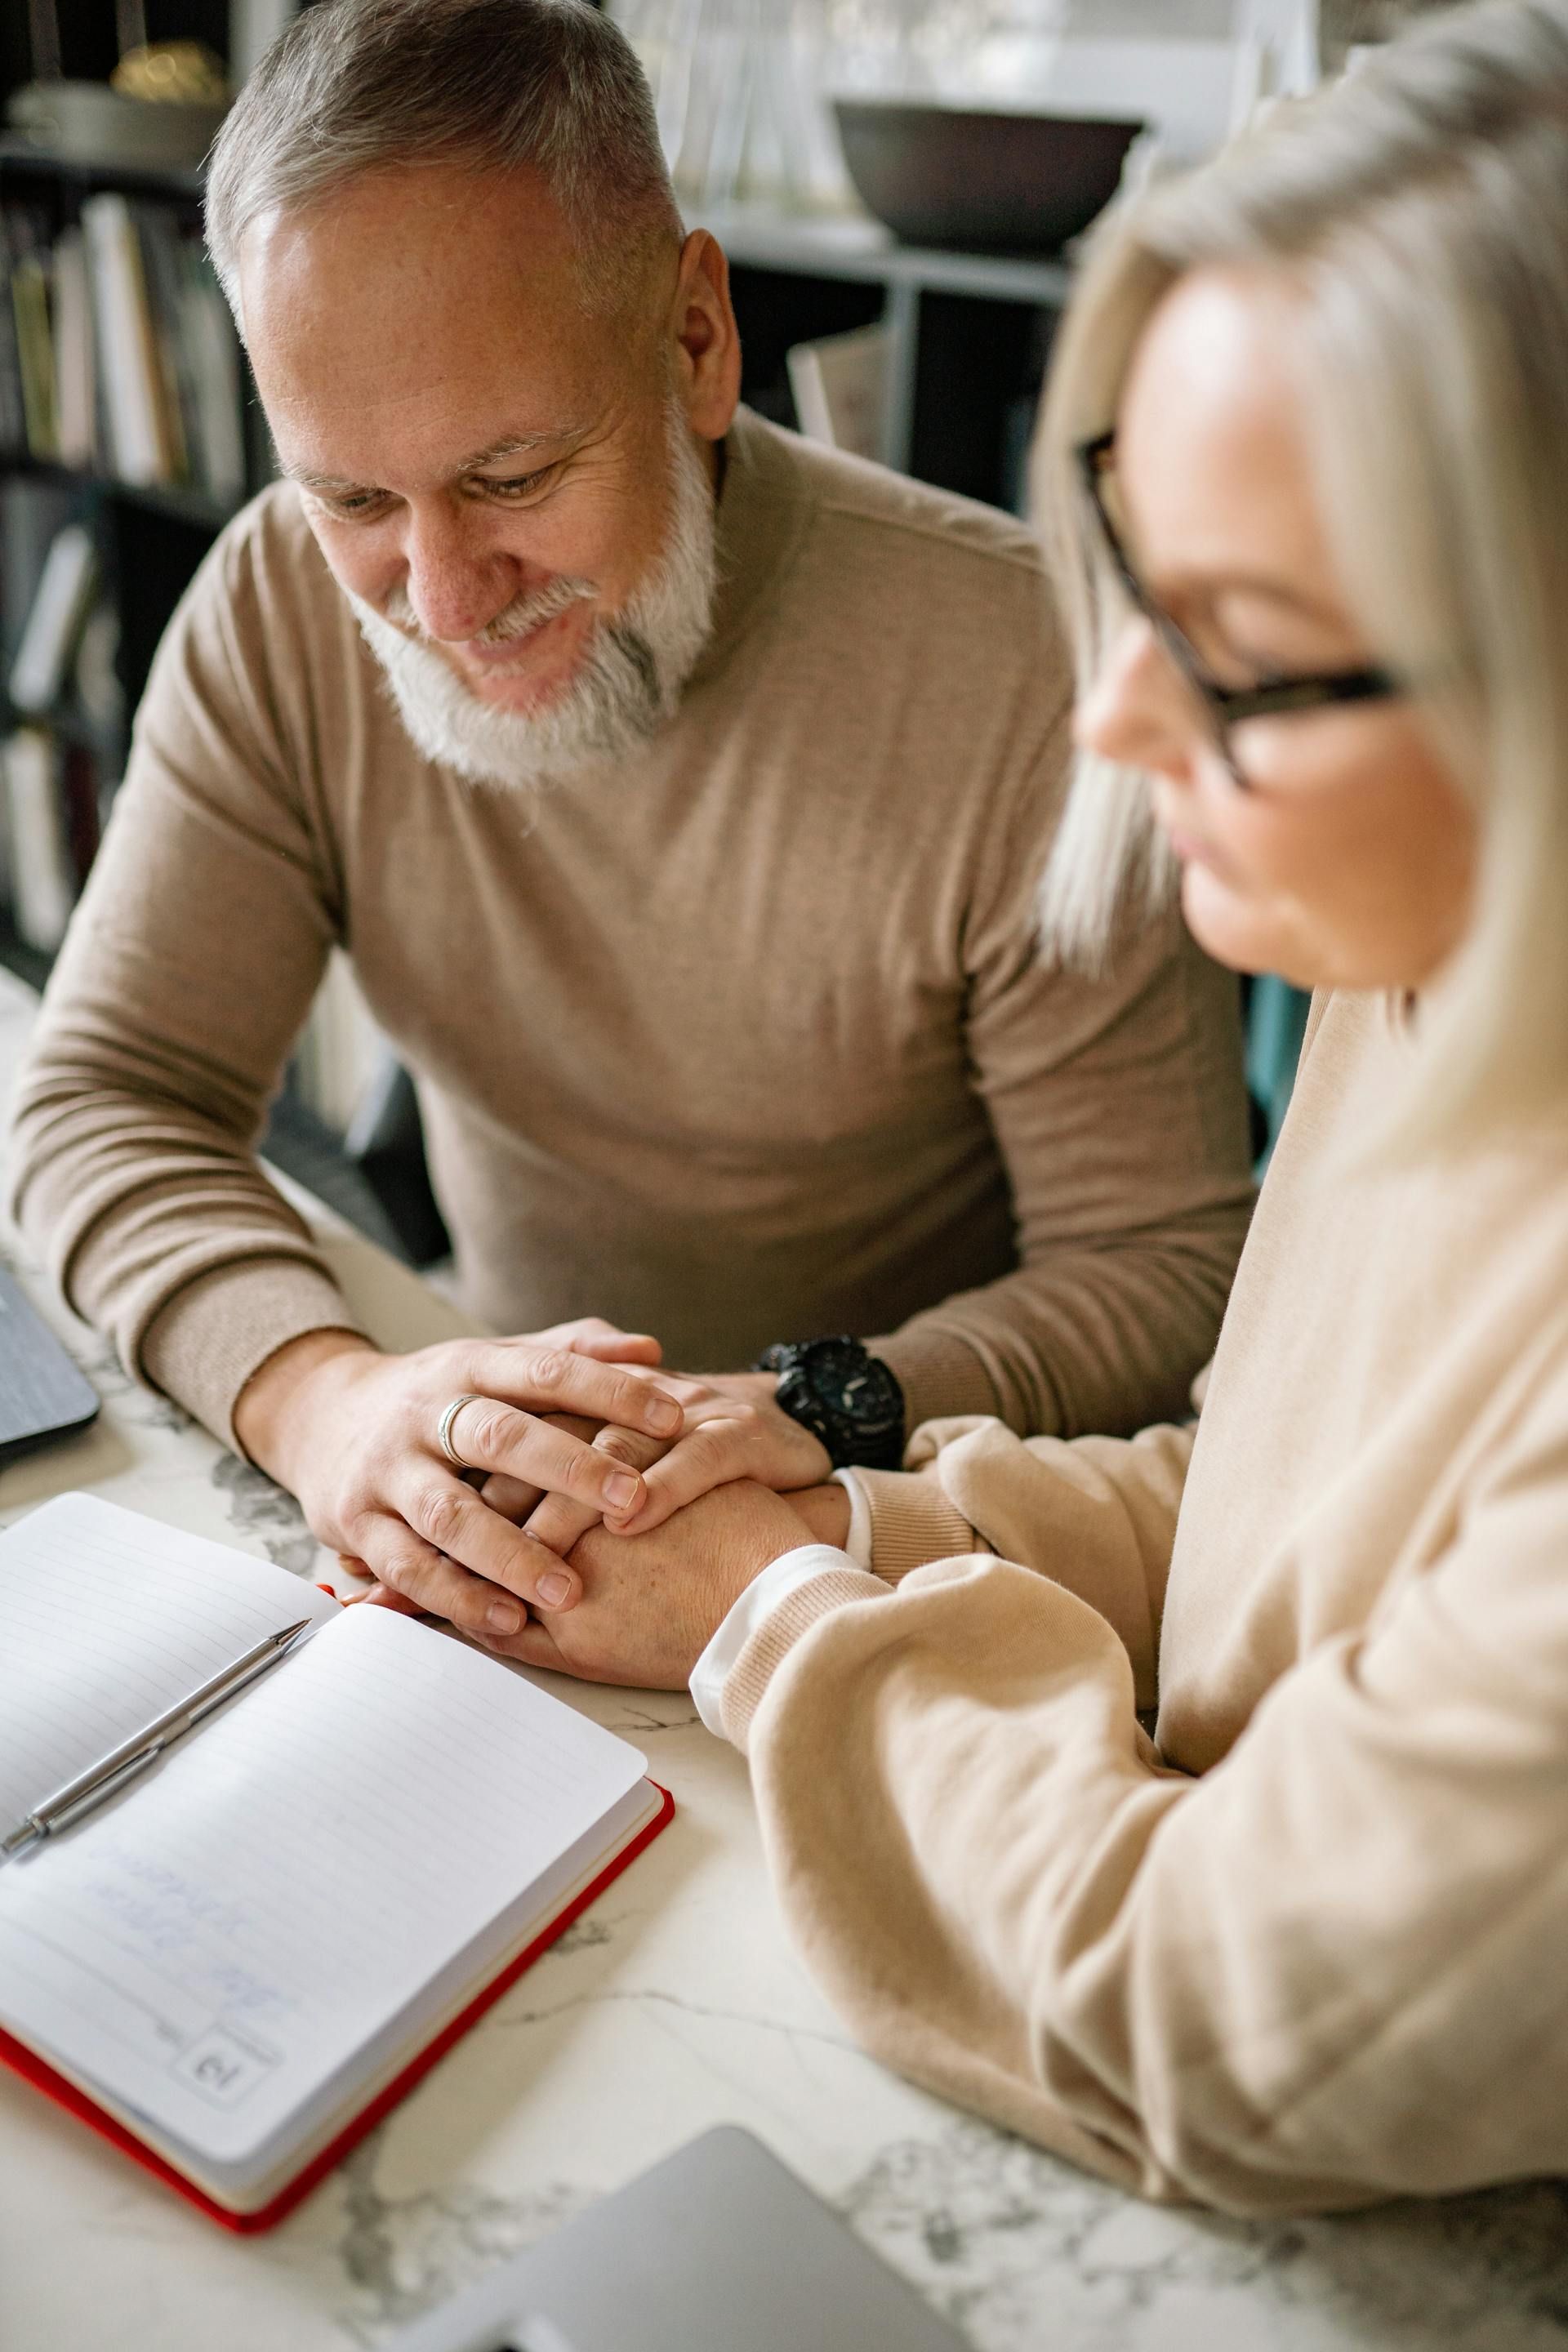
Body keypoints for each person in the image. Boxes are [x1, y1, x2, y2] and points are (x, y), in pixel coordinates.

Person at [488, 0, 1568, 2212]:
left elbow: (1201, 2013)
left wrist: (766, 1622)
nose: (1112, 714)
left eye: (1241, 644)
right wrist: (855, 1507)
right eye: (1123, 562)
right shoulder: (1432, 964)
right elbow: (1293, 1532)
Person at [5, 0, 1253, 1635]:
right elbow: (107, 1094)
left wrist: (821, 1414)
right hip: (505, 1508)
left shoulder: (1026, 670)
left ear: (696, 340)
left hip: (902, 1531)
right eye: (356, 500)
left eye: (516, 474)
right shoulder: (274, 605)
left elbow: (1167, 1268)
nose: (441, 599)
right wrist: (325, 1404)